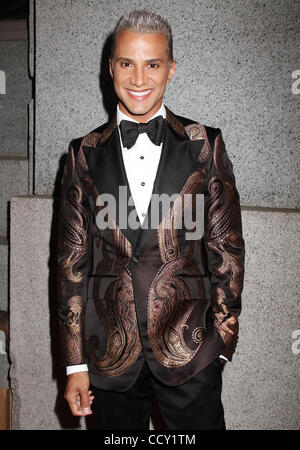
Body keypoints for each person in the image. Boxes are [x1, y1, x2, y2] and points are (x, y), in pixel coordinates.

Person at [56, 10, 245, 430]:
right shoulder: (82, 154)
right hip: (107, 357)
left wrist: (222, 343)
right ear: (111, 68)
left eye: (153, 64)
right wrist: (74, 365)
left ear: (171, 70)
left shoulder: (204, 145)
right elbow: (71, 265)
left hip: (192, 355)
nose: (139, 78)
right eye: (127, 63)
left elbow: (226, 251)